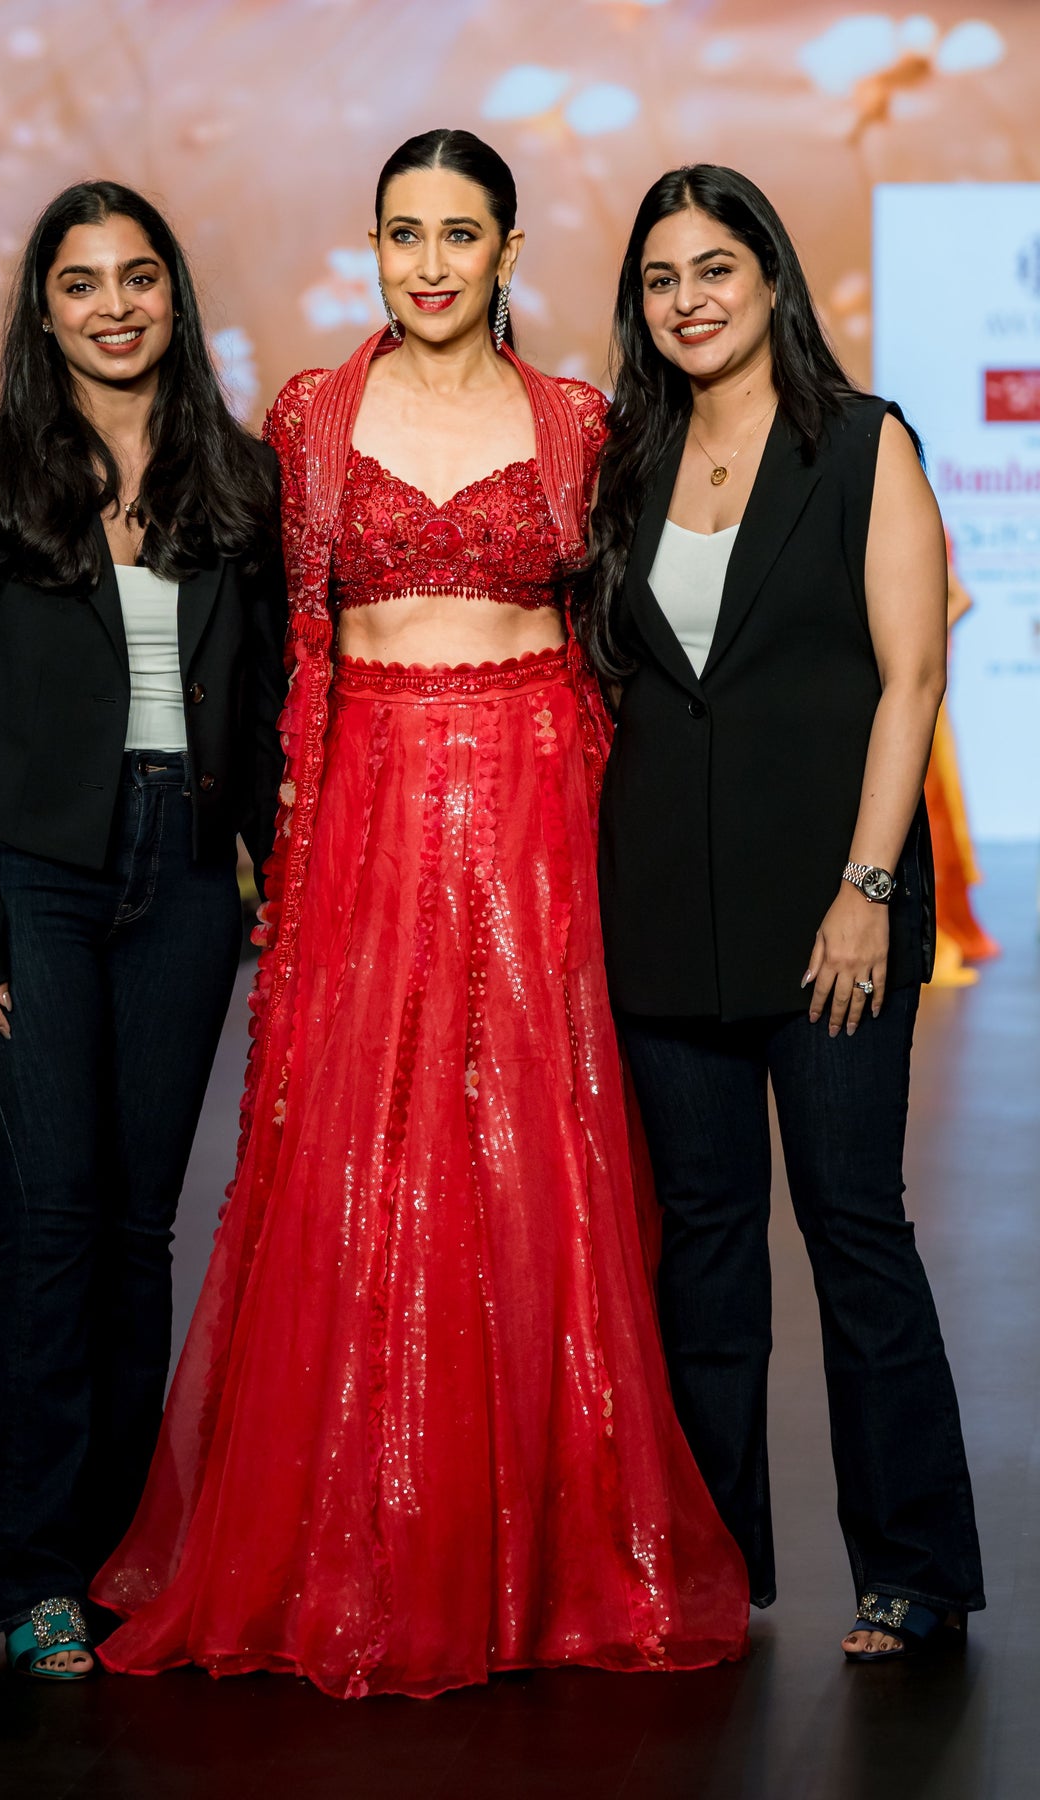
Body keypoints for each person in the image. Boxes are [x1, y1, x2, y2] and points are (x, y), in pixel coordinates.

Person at [92, 129, 750, 1697]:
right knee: (357, 1171)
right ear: (375, 247)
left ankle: (536, 1558)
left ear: (508, 247)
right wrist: (292, 864)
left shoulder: (582, 422)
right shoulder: (311, 420)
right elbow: (289, 668)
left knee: (539, 1169)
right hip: (369, 819)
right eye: (405, 234)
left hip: (536, 822)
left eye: (461, 233)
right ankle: (354, 1545)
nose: (432, 263)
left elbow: (621, 656)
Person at [584, 164, 984, 1660]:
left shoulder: (864, 443)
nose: (688, 299)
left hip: (833, 915)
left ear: (770, 280)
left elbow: (913, 679)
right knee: (700, 1249)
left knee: (853, 1228)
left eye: (715, 270)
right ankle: (712, 1564)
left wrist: (869, 891)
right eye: (662, 278)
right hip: (663, 917)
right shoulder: (626, 458)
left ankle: (913, 1569)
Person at [0, 180, 287, 1679]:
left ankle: (128, 1556)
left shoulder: (235, 482)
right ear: (42, 310)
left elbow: (251, 712)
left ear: (173, 297)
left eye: (138, 277)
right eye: (81, 284)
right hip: (37, 883)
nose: (114, 305)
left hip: (184, 874)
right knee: (48, 1229)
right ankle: (33, 1572)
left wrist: (279, 865)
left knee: (137, 1231)